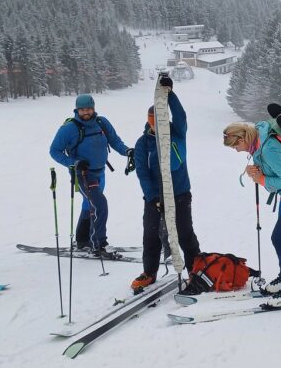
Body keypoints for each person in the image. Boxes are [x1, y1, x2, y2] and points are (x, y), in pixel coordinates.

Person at [223, 121, 281, 308]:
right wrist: (258, 172)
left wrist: (262, 179)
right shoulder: (258, 143)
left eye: (235, 145)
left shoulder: (268, 149)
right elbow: (279, 171)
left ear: (242, 139)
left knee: (280, 238)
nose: (235, 150)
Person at [131, 76, 201, 291]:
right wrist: (153, 198)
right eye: (152, 120)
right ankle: (149, 272)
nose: (155, 125)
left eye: (158, 120)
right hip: (155, 198)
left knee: (184, 234)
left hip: (180, 193)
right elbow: (142, 173)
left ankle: (195, 272)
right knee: (150, 234)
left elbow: (180, 115)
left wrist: (168, 94)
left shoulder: (177, 133)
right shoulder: (143, 143)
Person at [49, 94, 131, 258]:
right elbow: (54, 151)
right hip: (83, 174)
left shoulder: (102, 122)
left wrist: (127, 151)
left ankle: (82, 239)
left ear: (93, 108)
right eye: (82, 109)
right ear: (77, 110)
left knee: (90, 204)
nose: (85, 112)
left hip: (100, 171)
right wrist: (74, 163)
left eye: (88, 109)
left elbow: (114, 140)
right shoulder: (69, 128)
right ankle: (98, 244)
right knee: (100, 205)